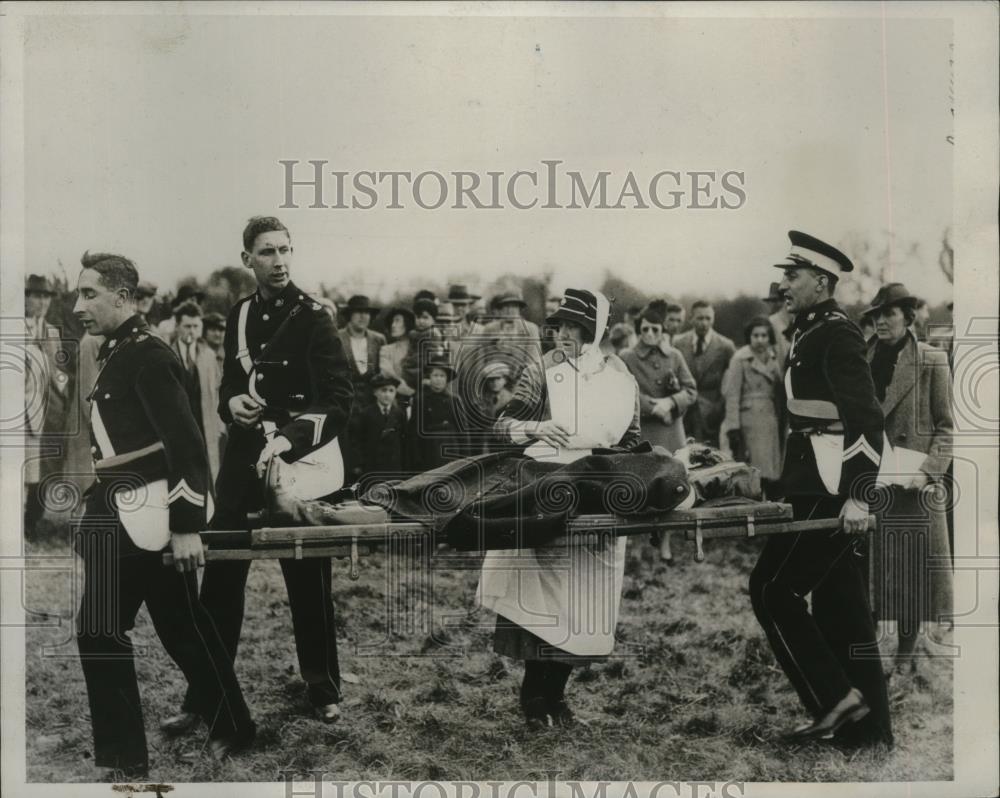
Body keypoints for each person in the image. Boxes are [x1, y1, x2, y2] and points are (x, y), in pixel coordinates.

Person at [160, 216, 354, 734]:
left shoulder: (314, 316)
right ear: (248, 259)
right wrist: (234, 405)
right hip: (246, 457)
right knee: (219, 573)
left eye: (286, 250)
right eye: (267, 252)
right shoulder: (240, 314)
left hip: (300, 458)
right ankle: (204, 695)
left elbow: (338, 399)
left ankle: (322, 687)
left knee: (306, 574)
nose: (280, 260)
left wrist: (289, 438)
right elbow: (228, 389)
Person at [70, 251, 254, 779]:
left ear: (123, 298)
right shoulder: (117, 350)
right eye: (78, 295)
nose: (79, 305)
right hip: (121, 507)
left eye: (90, 294)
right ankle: (233, 724)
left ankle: (126, 762)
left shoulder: (148, 355)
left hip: (152, 512)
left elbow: (187, 443)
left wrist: (186, 526)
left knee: (104, 630)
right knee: (181, 627)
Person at [749, 230, 891, 749]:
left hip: (833, 487)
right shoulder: (808, 330)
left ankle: (833, 702)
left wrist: (857, 495)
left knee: (771, 589)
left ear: (822, 281)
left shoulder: (837, 333)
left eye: (793, 275)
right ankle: (868, 733)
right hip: (810, 482)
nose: (783, 284)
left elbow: (867, 421)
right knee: (841, 603)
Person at [478, 287, 641, 729]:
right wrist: (536, 427)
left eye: (575, 327)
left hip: (599, 495)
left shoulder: (621, 376)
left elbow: (632, 437)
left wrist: (618, 465)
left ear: (594, 331)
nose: (564, 335)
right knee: (543, 599)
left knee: (584, 600)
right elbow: (501, 427)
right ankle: (536, 700)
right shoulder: (542, 370)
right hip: (545, 492)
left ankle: (556, 695)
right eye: (561, 326)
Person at [861, 283, 953, 682]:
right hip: (873, 481)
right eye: (876, 316)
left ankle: (905, 653)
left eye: (890, 314)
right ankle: (867, 654)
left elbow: (947, 427)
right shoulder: (860, 360)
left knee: (913, 573)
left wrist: (928, 471)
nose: (881, 322)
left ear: (908, 317)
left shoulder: (931, 360)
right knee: (876, 571)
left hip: (914, 485)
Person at [23, 274, 70, 537]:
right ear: (26, 299)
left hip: (49, 410)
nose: (42, 302)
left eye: (46, 297)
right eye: (36, 296)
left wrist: (63, 391)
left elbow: (58, 370)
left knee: (45, 468)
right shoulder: (11, 329)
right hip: (22, 411)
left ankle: (32, 521)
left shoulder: (52, 332)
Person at [720, 316, 784, 496]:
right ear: (749, 337)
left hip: (770, 418)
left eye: (764, 335)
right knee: (754, 469)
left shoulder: (773, 357)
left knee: (771, 469)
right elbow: (732, 395)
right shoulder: (740, 358)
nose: (760, 340)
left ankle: (769, 499)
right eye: (756, 335)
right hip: (749, 420)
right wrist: (733, 427)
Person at [620, 303, 697, 453]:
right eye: (645, 329)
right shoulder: (627, 356)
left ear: (663, 331)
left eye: (655, 329)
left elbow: (691, 390)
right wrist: (653, 407)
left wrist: (670, 402)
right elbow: (624, 392)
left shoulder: (675, 355)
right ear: (639, 330)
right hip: (644, 430)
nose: (650, 334)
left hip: (673, 432)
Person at [170, 301, 224, 483]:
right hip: (177, 429)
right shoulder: (166, 355)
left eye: (195, 326)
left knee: (206, 476)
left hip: (204, 427)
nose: (191, 331)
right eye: (187, 326)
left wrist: (218, 424)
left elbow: (216, 393)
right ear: (177, 327)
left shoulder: (208, 356)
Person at [673, 301, 736, 447]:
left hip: (711, 413)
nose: (704, 323)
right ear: (691, 319)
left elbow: (734, 380)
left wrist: (720, 406)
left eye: (708, 318)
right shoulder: (678, 343)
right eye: (700, 318)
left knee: (710, 455)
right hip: (685, 411)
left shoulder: (726, 346)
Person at [338, 295, 386, 484]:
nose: (362, 317)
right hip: (346, 399)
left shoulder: (378, 339)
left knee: (371, 442)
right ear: (350, 315)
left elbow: (383, 371)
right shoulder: (338, 337)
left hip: (370, 399)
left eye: (366, 313)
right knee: (347, 444)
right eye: (358, 312)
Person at [406, 355, 470, 472]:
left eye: (442, 376)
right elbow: (414, 431)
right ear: (429, 377)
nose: (438, 379)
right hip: (429, 448)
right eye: (435, 375)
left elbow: (463, 430)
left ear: (447, 379)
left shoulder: (454, 400)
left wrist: (464, 456)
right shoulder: (420, 400)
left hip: (451, 447)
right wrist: (416, 457)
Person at [358, 374, 408, 479]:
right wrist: (359, 464)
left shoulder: (399, 414)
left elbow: (405, 441)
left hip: (393, 465)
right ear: (375, 393)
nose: (387, 395)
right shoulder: (366, 413)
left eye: (391, 391)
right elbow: (358, 440)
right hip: (372, 465)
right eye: (383, 390)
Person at [378, 306, 417, 408]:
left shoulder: (418, 349)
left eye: (397, 321)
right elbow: (387, 374)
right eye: (392, 322)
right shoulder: (386, 350)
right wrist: (411, 393)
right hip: (394, 402)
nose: (393, 325)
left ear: (408, 323)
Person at [762, 281, 792, 367]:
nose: (772, 304)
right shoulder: (769, 321)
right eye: (771, 301)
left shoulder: (773, 321)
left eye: (776, 301)